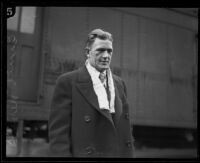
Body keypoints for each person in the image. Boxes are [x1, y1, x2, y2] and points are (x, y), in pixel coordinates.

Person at [48, 29, 134, 157]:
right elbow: (59, 136)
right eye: (100, 50)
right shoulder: (68, 82)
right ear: (88, 52)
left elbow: (125, 131)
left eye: (109, 51)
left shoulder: (119, 84)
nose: (106, 56)